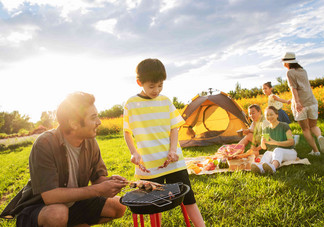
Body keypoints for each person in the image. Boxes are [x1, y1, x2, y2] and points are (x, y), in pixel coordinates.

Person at [0, 92, 128, 226]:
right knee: (57, 214)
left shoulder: (90, 142)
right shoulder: (45, 143)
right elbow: (50, 196)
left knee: (118, 206)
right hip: (41, 209)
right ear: (74, 124)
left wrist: (112, 182)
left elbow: (98, 179)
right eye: (93, 117)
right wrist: (98, 190)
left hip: (73, 205)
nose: (99, 122)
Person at [123, 58, 205, 227]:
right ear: (140, 82)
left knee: (188, 198)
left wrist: (173, 150)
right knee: (154, 204)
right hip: (149, 163)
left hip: (173, 160)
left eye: (160, 85)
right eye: (152, 86)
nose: (156, 90)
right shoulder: (132, 104)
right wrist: (134, 152)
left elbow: (175, 127)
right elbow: (127, 132)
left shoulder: (166, 101)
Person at [282, 52, 324, 155]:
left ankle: (316, 151)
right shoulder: (303, 71)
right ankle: (319, 136)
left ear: (287, 63)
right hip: (312, 102)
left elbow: (294, 89)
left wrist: (297, 102)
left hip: (301, 105)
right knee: (313, 126)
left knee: (305, 129)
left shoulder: (290, 72)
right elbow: (303, 88)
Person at [251, 106, 297, 174]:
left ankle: (273, 167)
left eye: (271, 114)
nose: (269, 117)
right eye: (267, 115)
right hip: (274, 153)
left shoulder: (284, 126)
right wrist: (263, 142)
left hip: (290, 152)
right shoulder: (266, 129)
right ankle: (260, 168)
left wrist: (275, 142)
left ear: (277, 115)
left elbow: (291, 142)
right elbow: (264, 148)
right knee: (267, 152)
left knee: (277, 150)